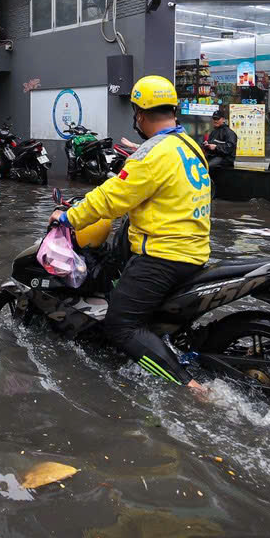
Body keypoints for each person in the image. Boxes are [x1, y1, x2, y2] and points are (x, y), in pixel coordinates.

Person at [49, 75, 213, 399]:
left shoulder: (152, 155)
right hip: (195, 250)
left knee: (120, 324)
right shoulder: (188, 145)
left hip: (164, 256)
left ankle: (189, 387)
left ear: (139, 114)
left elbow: (110, 199)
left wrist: (68, 216)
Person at [202, 109, 237, 189]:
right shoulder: (214, 132)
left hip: (225, 158)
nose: (215, 120)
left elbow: (229, 148)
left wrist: (216, 147)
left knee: (207, 166)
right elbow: (210, 145)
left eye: (217, 119)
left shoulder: (229, 132)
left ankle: (209, 188)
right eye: (214, 118)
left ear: (223, 119)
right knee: (199, 164)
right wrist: (206, 145)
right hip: (214, 156)